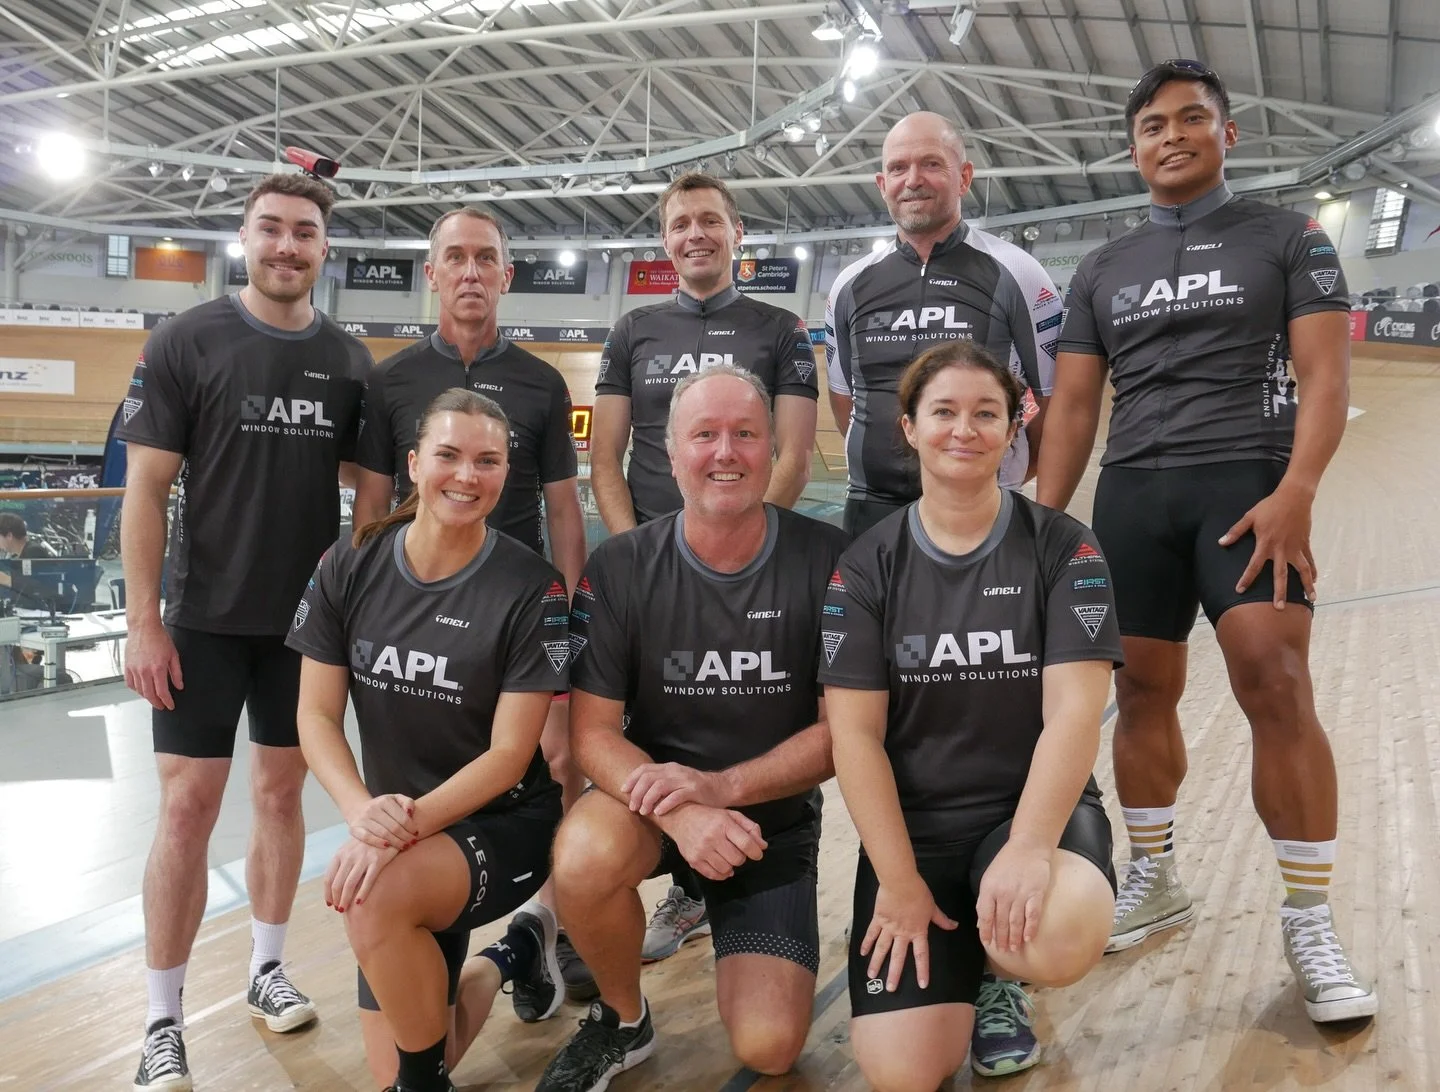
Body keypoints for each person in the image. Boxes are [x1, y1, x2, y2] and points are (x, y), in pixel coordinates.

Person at [1035, 60, 1377, 1023]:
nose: (1171, 134)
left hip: (1247, 490)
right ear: (1133, 145)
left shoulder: (1290, 237)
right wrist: (1045, 519)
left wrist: (1297, 491)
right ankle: (1156, 874)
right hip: (1134, 497)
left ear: (1229, 135)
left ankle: (1309, 919)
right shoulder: (1102, 267)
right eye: (1152, 124)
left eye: (1193, 119)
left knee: (1276, 679)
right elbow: (1071, 406)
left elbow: (1327, 380)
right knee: (1141, 690)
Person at [117, 172, 370, 1090]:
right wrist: (144, 622)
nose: (286, 247)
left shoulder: (347, 360)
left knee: (277, 799)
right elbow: (145, 488)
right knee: (185, 809)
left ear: (323, 249)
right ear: (244, 237)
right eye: (270, 230)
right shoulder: (187, 339)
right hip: (199, 623)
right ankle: (161, 1019)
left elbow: (371, 494)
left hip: (302, 631)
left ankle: (267, 968)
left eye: (304, 233)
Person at [536, 365, 846, 1092]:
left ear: (773, 449)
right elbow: (593, 736)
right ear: (671, 454)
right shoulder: (619, 568)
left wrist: (722, 788)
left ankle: (727, 911)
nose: (725, 452)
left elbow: (843, 735)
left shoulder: (829, 562)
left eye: (745, 433)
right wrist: (683, 810)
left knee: (769, 1048)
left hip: (768, 823)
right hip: (652, 808)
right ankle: (621, 1019)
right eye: (703, 435)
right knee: (581, 853)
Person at [821, 343, 1120, 1089]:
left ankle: (997, 972)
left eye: (986, 412)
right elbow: (853, 735)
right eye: (944, 412)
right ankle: (954, 938)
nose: (965, 428)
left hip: (1030, 816)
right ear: (910, 427)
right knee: (903, 1072)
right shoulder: (864, 565)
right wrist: (896, 877)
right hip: (917, 833)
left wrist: (1027, 847)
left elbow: (1075, 717)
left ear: (1015, 425)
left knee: (1052, 935)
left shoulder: (1064, 547)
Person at [289, 389, 568, 1092]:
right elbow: (315, 717)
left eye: (487, 461)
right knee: (422, 1041)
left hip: (500, 822)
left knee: (370, 902)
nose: (466, 476)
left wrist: (393, 830)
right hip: (397, 833)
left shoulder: (532, 588)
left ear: (507, 474)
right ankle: (517, 953)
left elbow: (509, 757)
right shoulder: (349, 564)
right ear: (414, 464)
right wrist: (361, 812)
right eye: (448, 455)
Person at [351, 208, 592, 1006]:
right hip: (424, 623)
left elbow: (564, 512)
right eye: (454, 257)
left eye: (486, 258)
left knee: (556, 766)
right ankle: (480, 936)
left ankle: (551, 924)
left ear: (507, 275)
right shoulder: (389, 383)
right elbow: (373, 513)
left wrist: (568, 631)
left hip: (518, 624)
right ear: (432, 273)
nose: (470, 272)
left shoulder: (542, 384)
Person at [589, 171, 820, 962]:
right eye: (680, 222)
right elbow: (607, 461)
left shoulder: (781, 327)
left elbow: (785, 454)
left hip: (749, 560)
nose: (695, 234)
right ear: (664, 239)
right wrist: (640, 561)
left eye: (710, 221)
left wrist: (751, 544)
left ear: (737, 233)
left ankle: (741, 869)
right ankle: (629, 887)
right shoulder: (634, 329)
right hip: (652, 572)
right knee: (640, 729)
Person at [825, 111, 1061, 540]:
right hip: (870, 506)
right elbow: (845, 401)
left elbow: (1052, 401)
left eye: (931, 164)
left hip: (981, 502)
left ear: (964, 177)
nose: (913, 179)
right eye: (898, 168)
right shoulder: (849, 285)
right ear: (882, 185)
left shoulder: (1018, 273)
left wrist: (1008, 473)